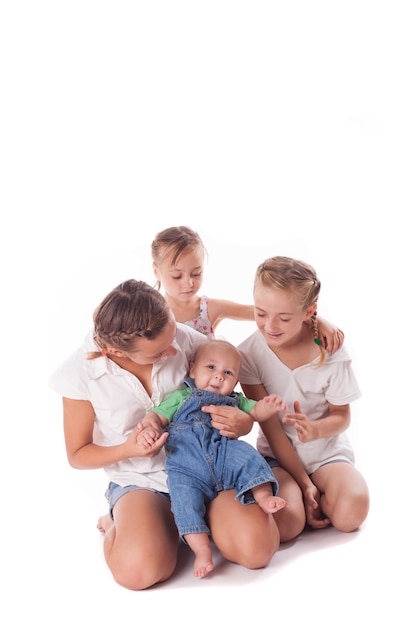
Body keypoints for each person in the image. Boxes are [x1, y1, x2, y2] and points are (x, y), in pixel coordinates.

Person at [48, 279, 283, 591]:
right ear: (115, 351)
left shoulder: (180, 337)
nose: (174, 350)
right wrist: (128, 449)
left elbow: (227, 376)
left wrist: (244, 422)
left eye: (173, 337)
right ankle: (124, 522)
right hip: (144, 482)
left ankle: (189, 522)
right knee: (138, 573)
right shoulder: (79, 374)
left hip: (210, 470)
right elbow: (77, 454)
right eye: (159, 352)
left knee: (257, 550)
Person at [236, 256, 370, 533]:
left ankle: (324, 493)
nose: (270, 327)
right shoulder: (248, 355)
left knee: (351, 514)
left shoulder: (330, 353)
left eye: (284, 318)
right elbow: (271, 428)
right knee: (285, 526)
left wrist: (315, 429)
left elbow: (342, 417)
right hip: (277, 457)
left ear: (310, 312)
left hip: (327, 454)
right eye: (260, 313)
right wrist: (304, 482)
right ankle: (309, 493)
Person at [138, 339, 288, 578]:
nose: (218, 377)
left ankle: (264, 497)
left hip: (224, 454)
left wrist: (268, 407)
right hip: (187, 467)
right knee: (183, 501)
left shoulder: (236, 399)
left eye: (227, 373)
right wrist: (149, 428)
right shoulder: (180, 396)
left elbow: (256, 411)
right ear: (192, 369)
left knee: (247, 456)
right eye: (211, 368)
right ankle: (202, 550)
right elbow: (157, 417)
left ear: (236, 381)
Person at [151, 225, 345, 352]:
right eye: (177, 276)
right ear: (156, 271)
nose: (188, 283)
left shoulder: (209, 308)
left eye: (196, 273)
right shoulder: (151, 312)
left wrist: (315, 320)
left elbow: (269, 313)